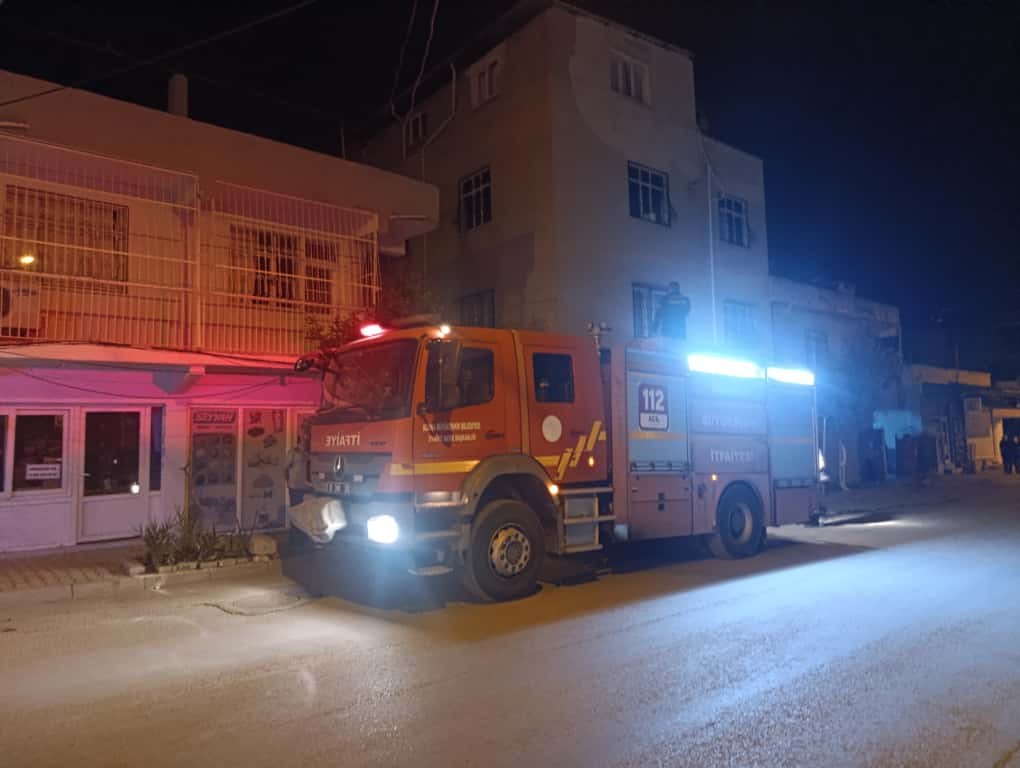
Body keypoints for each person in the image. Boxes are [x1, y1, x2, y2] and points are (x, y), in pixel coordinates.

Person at [285, 421, 312, 506]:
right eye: (304, 437)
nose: (306, 439)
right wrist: (288, 482)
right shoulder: (293, 452)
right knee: (295, 509)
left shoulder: (310, 453)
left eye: (307, 437)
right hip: (295, 487)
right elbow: (285, 468)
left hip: (307, 487)